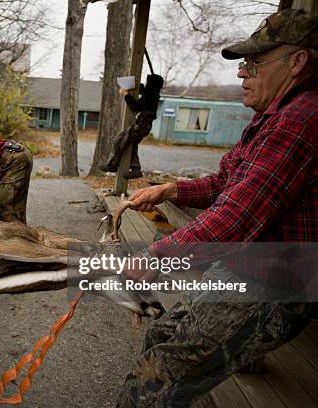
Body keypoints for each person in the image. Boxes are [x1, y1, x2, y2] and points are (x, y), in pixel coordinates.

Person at [115, 8, 317, 407]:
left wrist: (155, 257)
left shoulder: (303, 117)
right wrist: (171, 190)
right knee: (160, 335)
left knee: (150, 383)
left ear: (297, 62)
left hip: (276, 285)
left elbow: (236, 218)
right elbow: (226, 183)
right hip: (248, 266)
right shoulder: (271, 116)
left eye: (254, 62)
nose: (242, 73)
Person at [98, 74, 164, 179]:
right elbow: (145, 94)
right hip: (144, 126)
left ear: (151, 84)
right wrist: (139, 87)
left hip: (141, 125)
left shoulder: (150, 95)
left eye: (147, 82)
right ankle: (136, 169)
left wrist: (126, 95)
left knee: (118, 140)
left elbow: (135, 106)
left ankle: (113, 165)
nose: (146, 83)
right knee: (131, 145)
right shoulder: (153, 94)